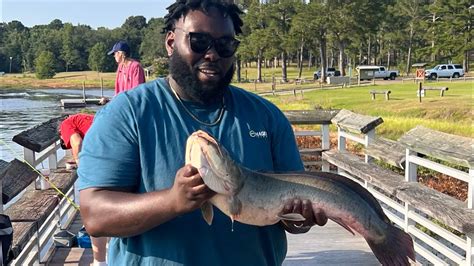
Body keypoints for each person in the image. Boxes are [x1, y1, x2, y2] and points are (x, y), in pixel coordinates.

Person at [78, 1, 328, 265]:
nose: (212, 54)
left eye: (225, 45)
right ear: (171, 42)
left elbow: (295, 223)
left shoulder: (267, 116)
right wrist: (172, 201)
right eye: (199, 41)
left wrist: (301, 219)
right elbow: (95, 215)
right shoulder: (127, 113)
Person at [58, 113, 108, 266]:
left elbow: (77, 142)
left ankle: (100, 261)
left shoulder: (65, 125)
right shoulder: (82, 119)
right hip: (111, 147)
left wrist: (81, 164)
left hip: (102, 158)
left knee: (94, 209)